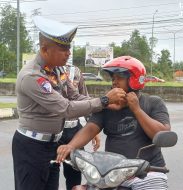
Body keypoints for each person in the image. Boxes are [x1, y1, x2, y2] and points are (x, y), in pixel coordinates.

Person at [12, 16, 126, 190]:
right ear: (44, 49)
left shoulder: (58, 70)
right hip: (32, 147)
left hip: (53, 145)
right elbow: (65, 108)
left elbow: (75, 96)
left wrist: (106, 104)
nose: (69, 53)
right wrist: (104, 100)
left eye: (69, 47)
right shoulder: (32, 76)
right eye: (63, 48)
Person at [57, 56, 171, 189]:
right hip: (112, 174)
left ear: (134, 80)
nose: (114, 83)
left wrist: (137, 109)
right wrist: (70, 146)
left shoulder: (153, 103)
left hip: (148, 172)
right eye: (113, 79)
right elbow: (90, 129)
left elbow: (161, 133)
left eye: (119, 78)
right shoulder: (108, 107)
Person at [59, 64, 100, 190]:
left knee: (74, 175)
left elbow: (85, 101)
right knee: (50, 173)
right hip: (54, 131)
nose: (67, 52)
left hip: (73, 130)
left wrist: (94, 130)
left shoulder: (75, 70)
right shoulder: (47, 70)